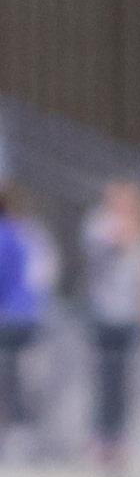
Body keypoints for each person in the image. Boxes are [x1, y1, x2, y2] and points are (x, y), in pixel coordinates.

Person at [81, 178, 140, 465]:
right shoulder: (99, 225)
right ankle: (99, 434)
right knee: (104, 377)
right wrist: (130, 225)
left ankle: (118, 437)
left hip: (128, 316)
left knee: (124, 381)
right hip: (104, 312)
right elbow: (111, 248)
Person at [0, 183, 55, 447]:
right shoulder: (26, 233)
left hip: (12, 316)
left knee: (12, 377)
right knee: (21, 376)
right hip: (29, 314)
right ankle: (24, 430)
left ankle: (18, 431)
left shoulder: (8, 235)